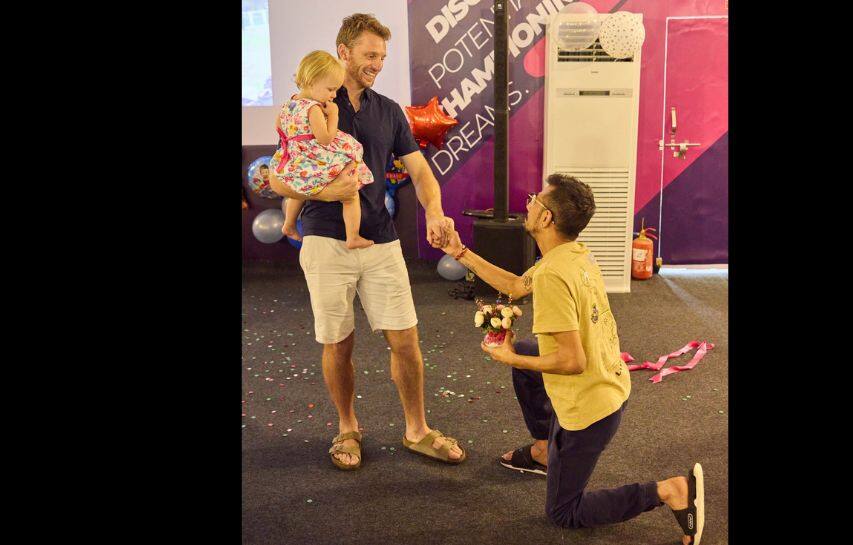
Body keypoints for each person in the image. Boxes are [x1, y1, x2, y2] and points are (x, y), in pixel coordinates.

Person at [436, 174, 705, 544]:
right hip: (609, 384)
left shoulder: (552, 276)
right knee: (529, 351)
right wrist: (458, 251)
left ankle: (670, 490)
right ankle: (546, 450)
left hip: (590, 412)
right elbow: (516, 286)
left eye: (534, 199)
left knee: (564, 513)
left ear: (546, 219)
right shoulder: (571, 254)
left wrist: (508, 357)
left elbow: (571, 361)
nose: (528, 203)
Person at [267, 13, 464, 471]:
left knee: (406, 339)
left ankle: (417, 430)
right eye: (370, 55)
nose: (377, 63)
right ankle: (347, 428)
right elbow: (278, 179)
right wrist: (323, 192)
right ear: (344, 52)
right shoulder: (303, 106)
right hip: (323, 241)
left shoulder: (389, 110)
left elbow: (419, 170)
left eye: (382, 56)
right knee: (338, 342)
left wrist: (435, 210)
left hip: (380, 240)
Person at [269, 50, 375, 250]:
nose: (334, 95)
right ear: (311, 81)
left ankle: (289, 224)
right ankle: (353, 236)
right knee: (350, 195)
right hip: (316, 157)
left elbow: (280, 129)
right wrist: (333, 115)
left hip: (296, 157)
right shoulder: (313, 108)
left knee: (301, 191)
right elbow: (325, 139)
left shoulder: (287, 105)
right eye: (330, 89)